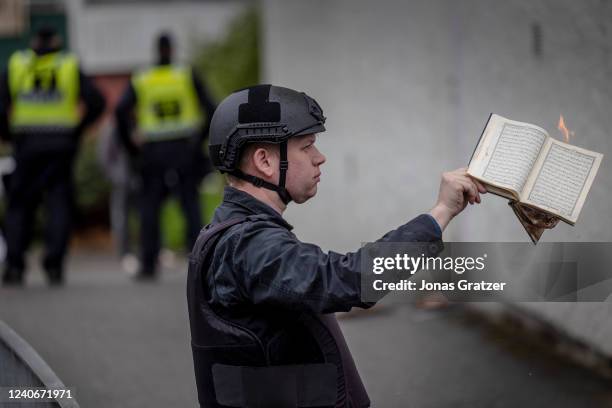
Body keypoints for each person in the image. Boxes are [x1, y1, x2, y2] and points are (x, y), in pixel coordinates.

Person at [187, 84, 487, 407]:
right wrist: (440, 214)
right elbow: (348, 280)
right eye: (307, 146)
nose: (320, 158)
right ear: (265, 161)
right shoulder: (248, 246)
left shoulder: (236, 233)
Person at [0, 27, 105, 286]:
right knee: (58, 203)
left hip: (27, 144)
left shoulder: (17, 64)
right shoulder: (68, 65)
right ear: (56, 41)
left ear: (34, 41)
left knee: (19, 205)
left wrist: (10, 135)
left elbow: (0, 105)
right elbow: (97, 101)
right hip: (60, 144)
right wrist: (76, 131)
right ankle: (54, 265)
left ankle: (14, 265)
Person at [115, 32, 216, 279]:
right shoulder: (185, 73)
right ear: (172, 49)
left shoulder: (143, 77)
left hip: (153, 150)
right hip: (183, 148)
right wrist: (198, 140)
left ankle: (149, 264)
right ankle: (200, 265)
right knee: (190, 206)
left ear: (155, 50)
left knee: (149, 208)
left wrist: (131, 145)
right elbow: (212, 107)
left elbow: (120, 110)